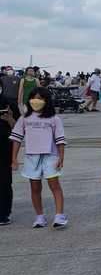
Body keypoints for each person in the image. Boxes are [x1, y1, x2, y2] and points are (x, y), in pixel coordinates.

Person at [9, 87, 68, 228]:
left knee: (54, 184)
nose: (37, 101)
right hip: (32, 157)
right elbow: (17, 139)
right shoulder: (24, 119)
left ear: (47, 101)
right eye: (34, 98)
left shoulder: (54, 119)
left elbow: (60, 140)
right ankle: (40, 215)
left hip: (50, 156)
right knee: (35, 187)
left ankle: (59, 214)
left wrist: (61, 158)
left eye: (40, 98)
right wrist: (14, 158)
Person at [0, 96, 15, 225]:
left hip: (4, 149)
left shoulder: (9, 104)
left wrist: (11, 120)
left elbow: (20, 128)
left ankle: (4, 212)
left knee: (4, 181)